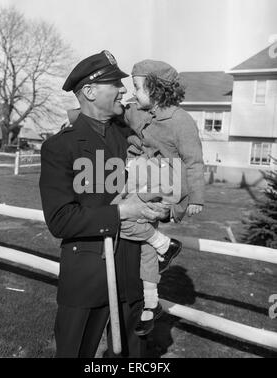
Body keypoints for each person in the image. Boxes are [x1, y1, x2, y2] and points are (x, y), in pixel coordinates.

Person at [39, 51, 170, 358]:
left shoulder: (130, 138)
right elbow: (60, 220)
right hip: (86, 275)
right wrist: (122, 211)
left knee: (132, 358)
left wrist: (159, 206)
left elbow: (153, 181)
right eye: (116, 84)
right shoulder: (60, 147)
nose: (124, 91)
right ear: (90, 91)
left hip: (131, 272)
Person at [117, 59, 205, 336]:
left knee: (120, 219)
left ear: (156, 89)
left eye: (139, 88)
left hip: (166, 182)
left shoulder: (181, 121)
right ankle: (151, 303)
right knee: (144, 245)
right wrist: (72, 117)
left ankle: (165, 245)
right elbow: (114, 112)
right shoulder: (141, 112)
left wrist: (196, 199)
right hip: (144, 180)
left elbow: (194, 162)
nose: (134, 94)